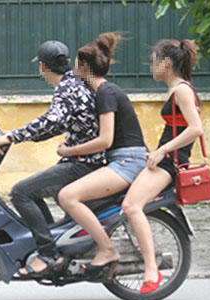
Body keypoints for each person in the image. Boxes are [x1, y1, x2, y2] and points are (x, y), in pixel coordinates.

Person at [0, 40, 105, 277]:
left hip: (81, 164)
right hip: (84, 160)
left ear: (43, 66)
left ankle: (47, 254)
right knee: (35, 191)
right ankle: (54, 243)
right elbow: (56, 125)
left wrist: (12, 136)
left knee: (21, 192)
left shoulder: (66, 88)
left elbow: (51, 121)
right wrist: (20, 137)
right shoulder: (74, 83)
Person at [57, 32, 147, 277]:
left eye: (76, 63)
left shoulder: (106, 93)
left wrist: (69, 151)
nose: (72, 68)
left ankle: (107, 250)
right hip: (122, 159)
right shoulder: (101, 92)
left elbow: (105, 140)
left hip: (129, 161)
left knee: (68, 196)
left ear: (84, 66)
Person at [121, 39, 204, 294]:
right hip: (165, 159)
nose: (150, 66)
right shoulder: (176, 89)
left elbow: (196, 128)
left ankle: (151, 270)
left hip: (170, 163)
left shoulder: (182, 91)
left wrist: (162, 151)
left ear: (166, 63)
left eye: (153, 61)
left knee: (131, 206)